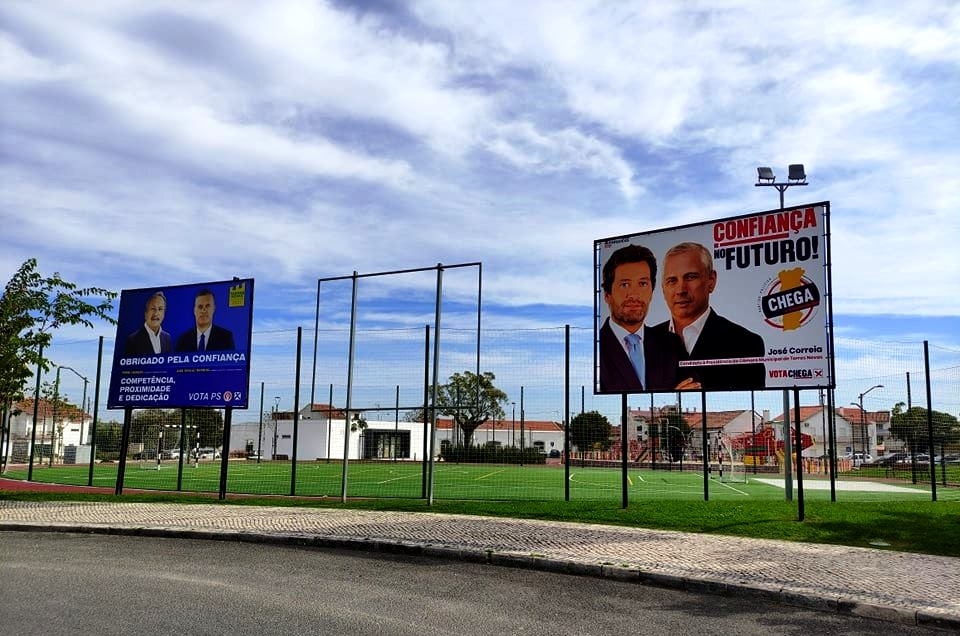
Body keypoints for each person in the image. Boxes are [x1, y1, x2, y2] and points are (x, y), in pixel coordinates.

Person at [655, 242, 765, 390]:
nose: (681, 289)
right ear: (663, 288)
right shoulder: (644, 343)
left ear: (711, 281)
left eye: (690, 277)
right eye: (672, 280)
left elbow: (752, 400)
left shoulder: (745, 343)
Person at [598, 244, 698, 392]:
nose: (634, 295)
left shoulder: (671, 344)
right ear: (607, 295)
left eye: (643, 284)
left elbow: (691, 388)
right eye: (625, 284)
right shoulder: (596, 348)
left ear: (652, 291)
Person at [124, 291, 172, 356]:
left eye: (160, 309)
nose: (156, 313)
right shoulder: (133, 339)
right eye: (153, 309)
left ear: (164, 314)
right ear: (145, 313)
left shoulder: (167, 338)